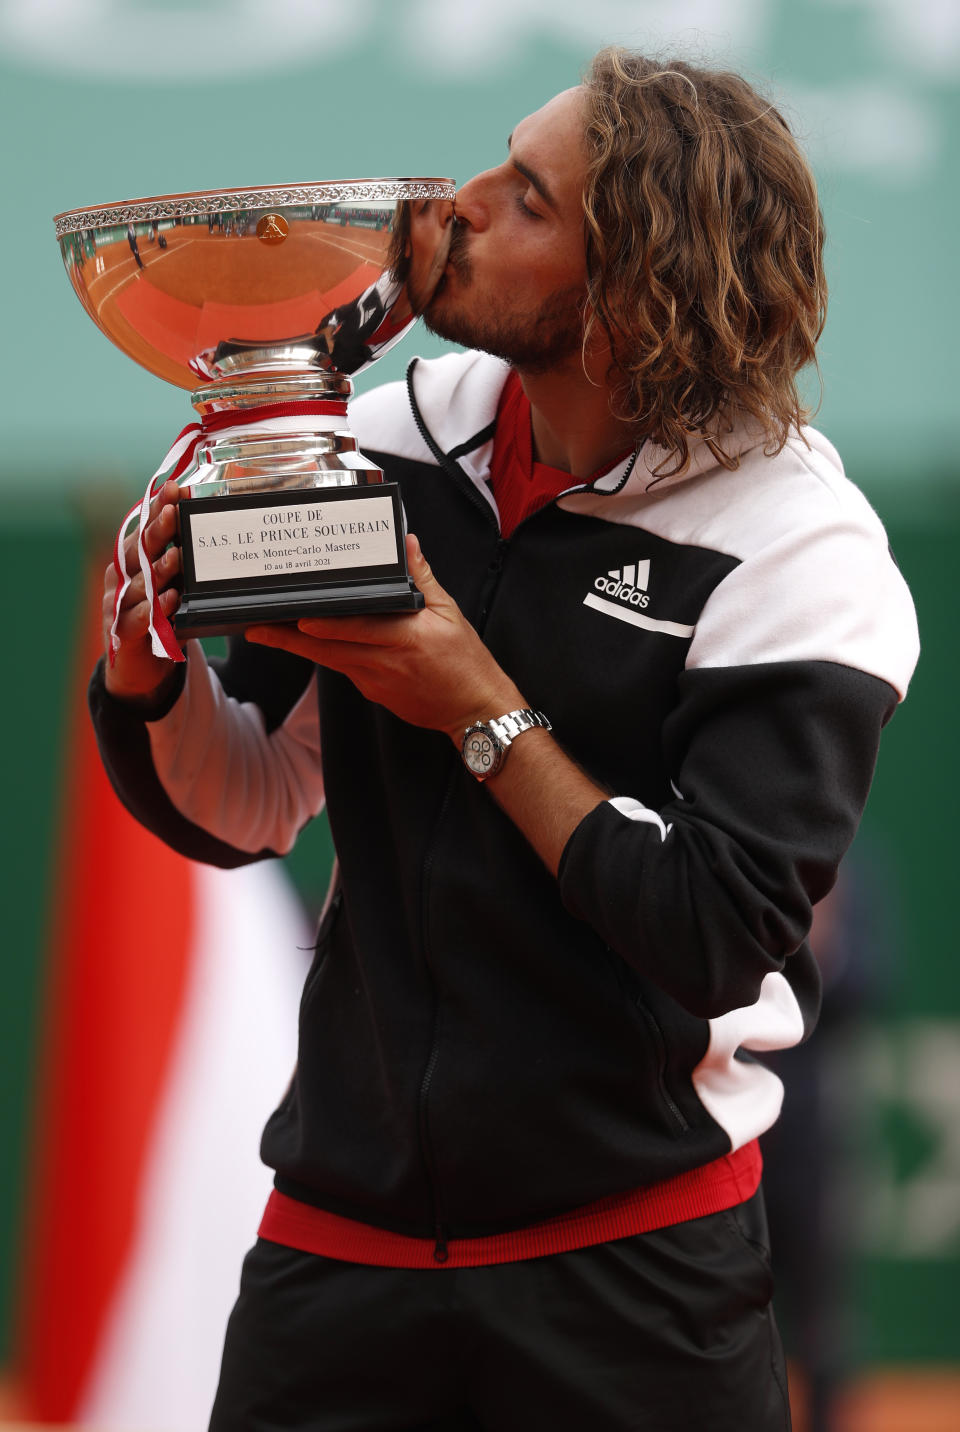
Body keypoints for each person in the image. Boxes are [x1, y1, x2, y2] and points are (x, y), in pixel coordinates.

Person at [89, 48, 919, 1432]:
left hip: (634, 1278)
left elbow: (718, 927)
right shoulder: (386, 441)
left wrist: (474, 703)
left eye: (527, 199)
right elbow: (257, 798)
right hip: (335, 1248)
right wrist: (148, 676)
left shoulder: (799, 551)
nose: (457, 205)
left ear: (633, 295)